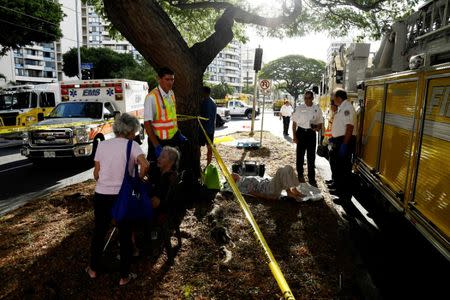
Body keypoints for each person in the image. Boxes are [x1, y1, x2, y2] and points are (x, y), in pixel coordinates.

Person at [86, 113, 149, 286]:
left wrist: (105, 180)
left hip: (101, 194)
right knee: (125, 233)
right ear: (131, 130)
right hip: (123, 196)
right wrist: (138, 180)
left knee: (99, 232)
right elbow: (145, 165)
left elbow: (96, 173)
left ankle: (93, 269)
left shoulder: (103, 145)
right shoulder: (133, 145)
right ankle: (124, 275)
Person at [144, 67, 185, 163]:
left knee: (172, 168)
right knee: (157, 171)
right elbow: (147, 123)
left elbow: (171, 117)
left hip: (173, 139)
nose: (170, 82)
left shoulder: (171, 93)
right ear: (159, 79)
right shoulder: (151, 97)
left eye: (172, 79)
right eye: (167, 79)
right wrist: (156, 145)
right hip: (159, 141)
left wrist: (178, 132)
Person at [149, 146, 181, 264]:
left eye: (163, 157)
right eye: (160, 155)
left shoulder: (167, 179)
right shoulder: (164, 173)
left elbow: (156, 203)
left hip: (163, 212)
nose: (159, 158)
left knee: (128, 214)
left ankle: (132, 248)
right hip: (167, 209)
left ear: (171, 162)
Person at [329, 89, 357, 202]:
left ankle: (345, 197)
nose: (333, 100)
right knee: (337, 167)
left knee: (344, 170)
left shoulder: (347, 108)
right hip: (339, 140)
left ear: (339, 98)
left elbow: (350, 128)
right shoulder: (342, 108)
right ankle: (339, 190)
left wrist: (344, 144)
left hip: (344, 141)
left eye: (334, 97)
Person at [291, 91, 323, 186]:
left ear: (312, 98)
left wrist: (318, 128)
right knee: (300, 156)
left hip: (311, 134)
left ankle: (311, 178)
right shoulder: (299, 108)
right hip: (300, 132)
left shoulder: (317, 109)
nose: (307, 100)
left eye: (309, 98)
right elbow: (294, 124)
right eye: (305, 98)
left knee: (311, 157)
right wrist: (294, 136)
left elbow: (320, 122)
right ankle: (300, 175)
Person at [199, 86, 217, 165]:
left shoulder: (204, 102)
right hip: (211, 129)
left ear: (204, 93)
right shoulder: (213, 102)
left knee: (198, 147)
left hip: (203, 130)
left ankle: (199, 164)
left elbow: (203, 117)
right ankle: (208, 165)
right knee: (209, 148)